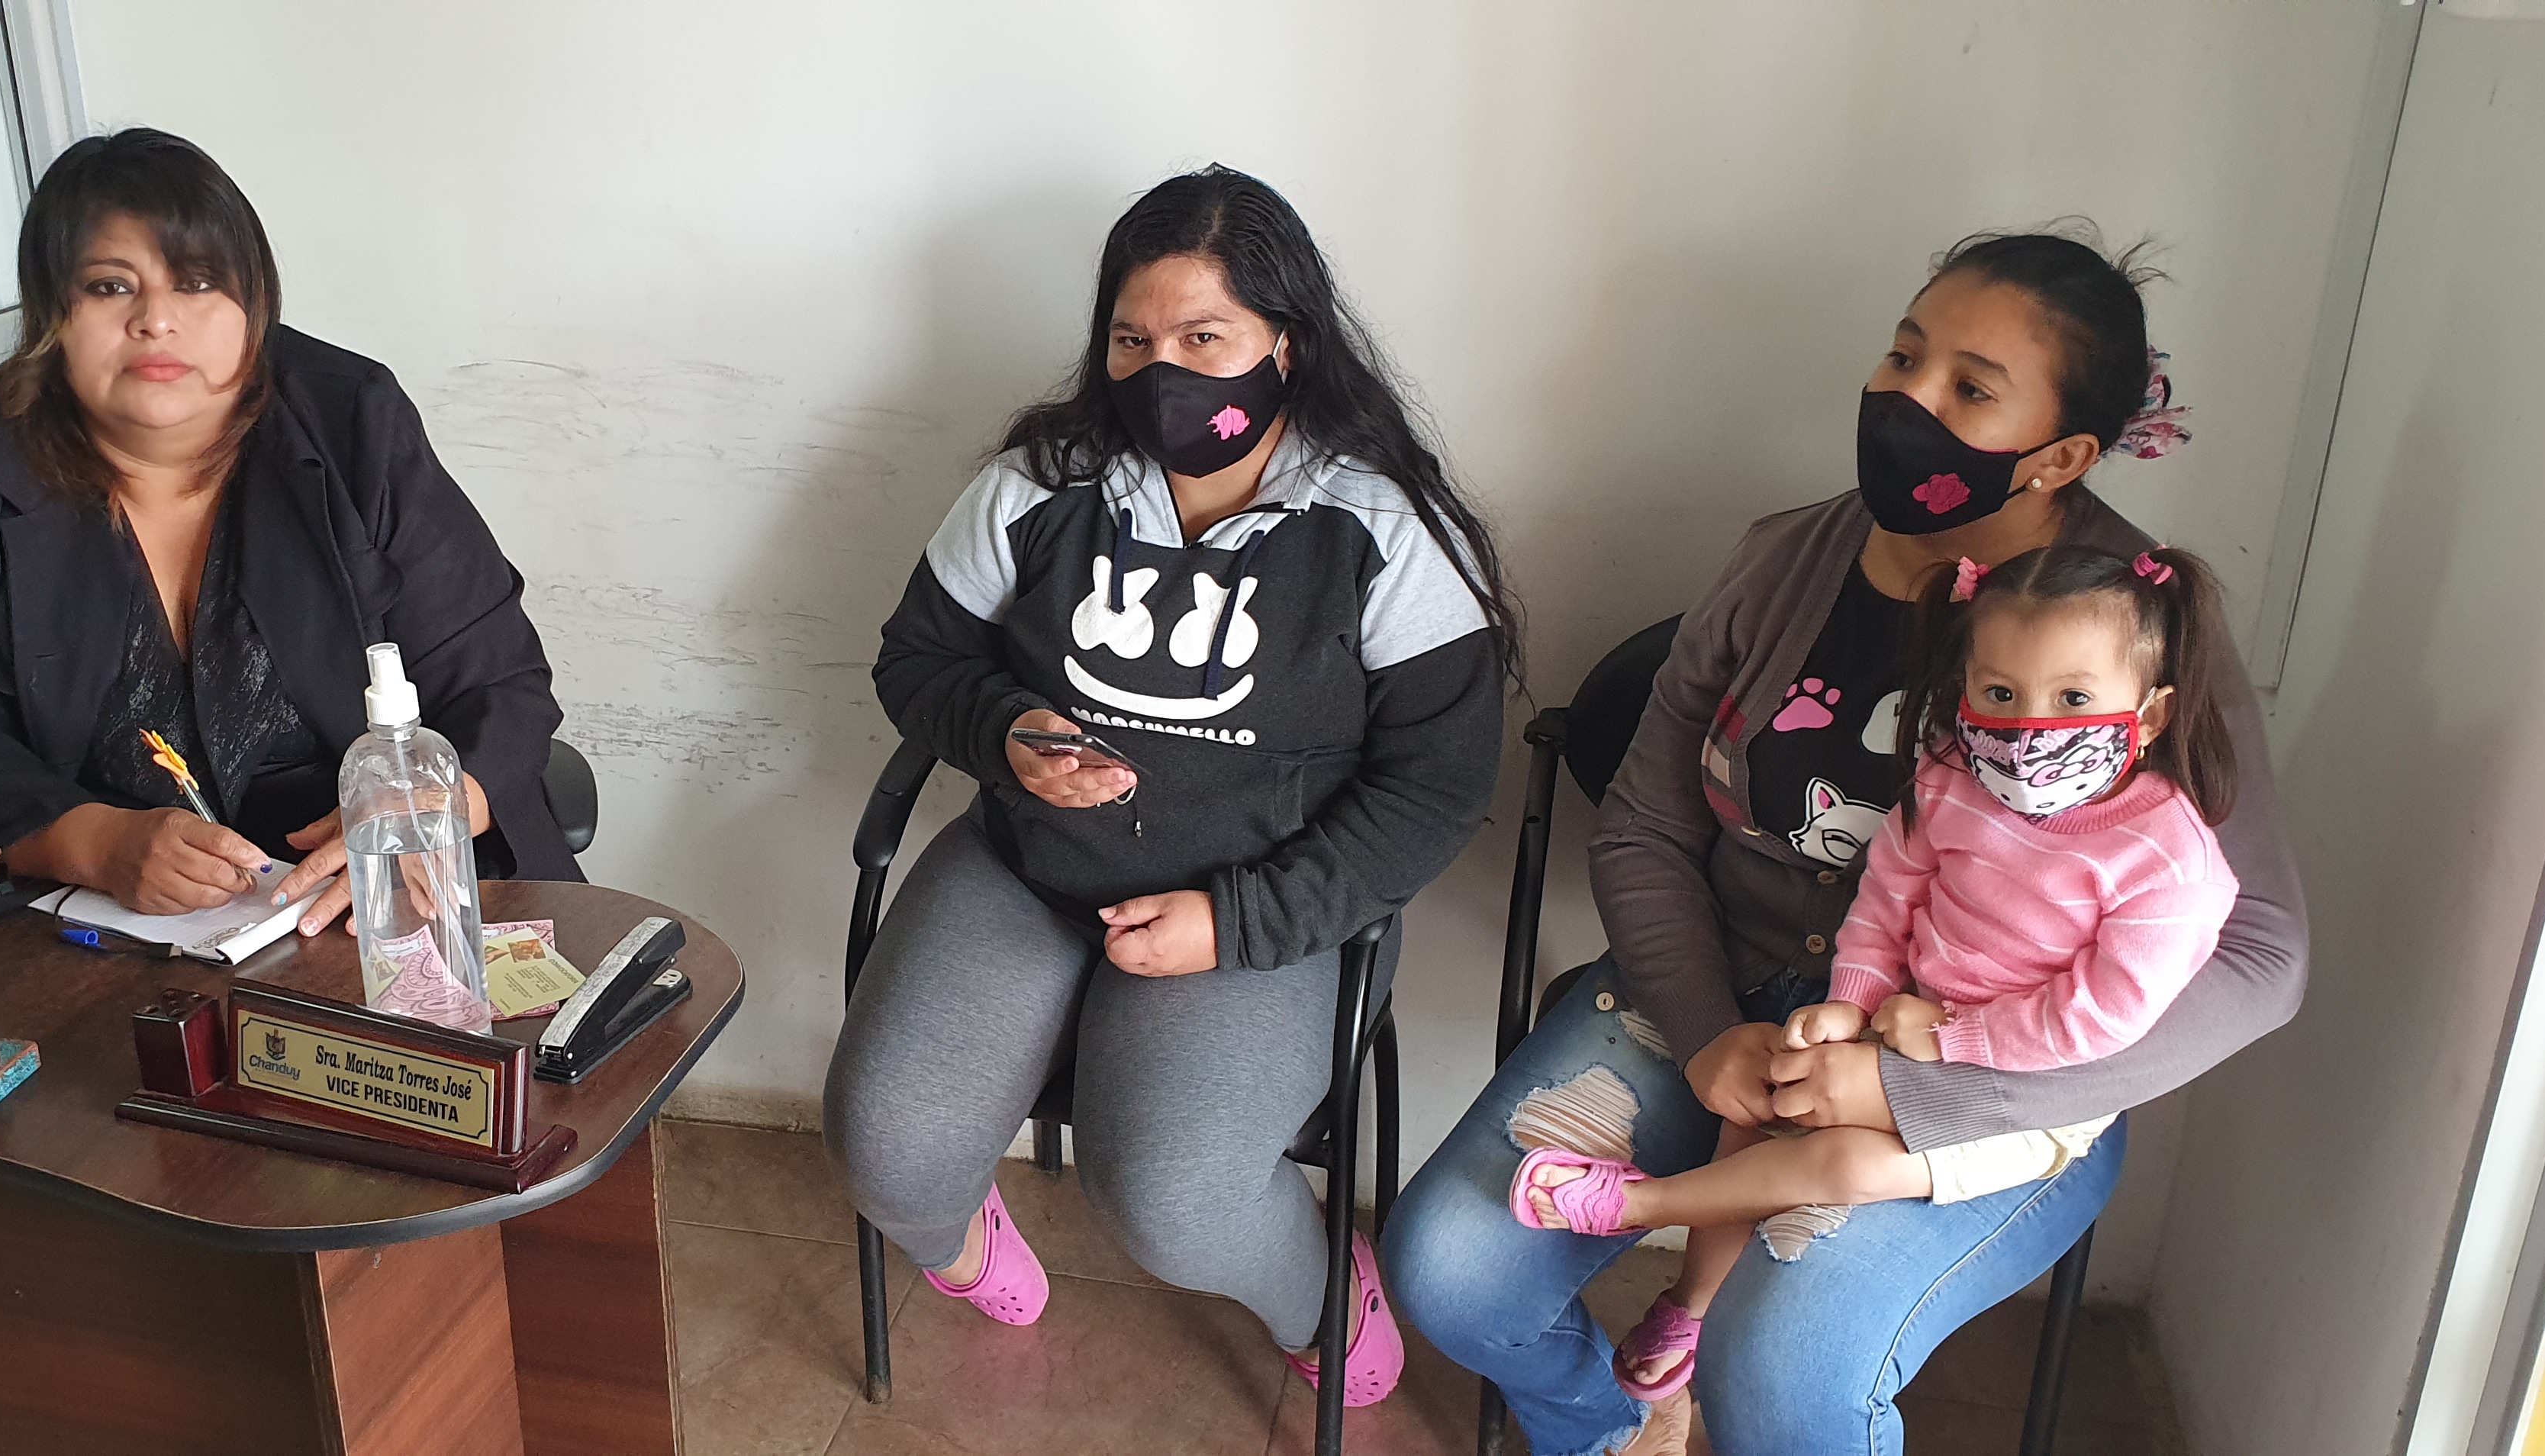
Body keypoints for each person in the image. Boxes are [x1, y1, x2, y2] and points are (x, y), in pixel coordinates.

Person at [1380, 227, 2308, 1456]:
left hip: (1990, 1070)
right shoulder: (1781, 562)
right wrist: (1707, 1034)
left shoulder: (2138, 631)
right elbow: (1647, 823)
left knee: (1781, 1370)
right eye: (1904, 355)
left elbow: (2261, 958)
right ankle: (1607, 1425)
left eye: (1971, 388)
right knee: (1451, 1270)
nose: (1907, 400)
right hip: (1724, 999)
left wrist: (1917, 1082)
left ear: (2062, 455)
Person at [823, 166, 1516, 1404]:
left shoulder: (1384, 529)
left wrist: (1237, 922)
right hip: (1029, 871)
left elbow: (1436, 789)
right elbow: (916, 661)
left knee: (1172, 1197)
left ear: (1286, 344)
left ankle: (1319, 1298)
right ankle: (966, 1244)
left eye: (1205, 338)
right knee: (887, 1149)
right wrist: (1004, 730)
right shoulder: (1042, 483)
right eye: (1132, 341)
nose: (1163, 373)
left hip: (1258, 903)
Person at [1513, 544, 2242, 1408]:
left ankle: (1642, 1207)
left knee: (1843, 1164)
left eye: (2073, 699)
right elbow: (1890, 893)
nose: (2028, 729)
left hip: (2026, 1090)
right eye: (2000, 693)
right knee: (1772, 1098)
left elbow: (2101, 1018)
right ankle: (1692, 1307)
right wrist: (1849, 1004)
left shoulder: (2170, 859)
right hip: (1902, 1021)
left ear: (2151, 715)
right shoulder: (1955, 776)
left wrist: (1948, 1038)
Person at [0, 128, 578, 932]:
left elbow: (500, 682)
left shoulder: (352, 421)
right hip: (118, 925)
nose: (156, 320)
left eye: (197, 282)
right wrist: (96, 843)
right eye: (109, 287)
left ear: (253, 304)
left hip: (398, 894)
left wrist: (426, 810)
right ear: (51, 314)